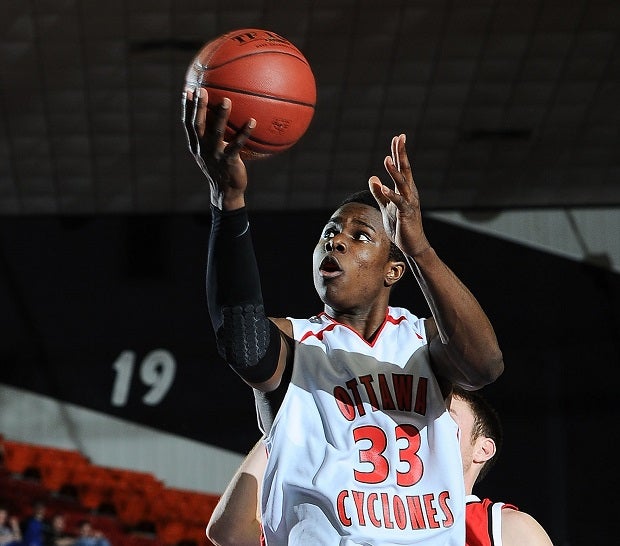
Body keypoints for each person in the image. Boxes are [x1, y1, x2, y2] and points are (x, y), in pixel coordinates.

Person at [182, 87, 504, 545]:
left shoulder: (424, 344)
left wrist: (419, 248)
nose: (336, 242)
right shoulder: (297, 343)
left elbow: (485, 364)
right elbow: (242, 342)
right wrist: (228, 201)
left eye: (359, 236)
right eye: (330, 233)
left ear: (394, 269)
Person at [206, 387, 554, 546]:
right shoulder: (352, 508)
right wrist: (281, 432)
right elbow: (231, 533)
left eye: (444, 418)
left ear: (482, 449)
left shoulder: (505, 528)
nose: (427, 427)